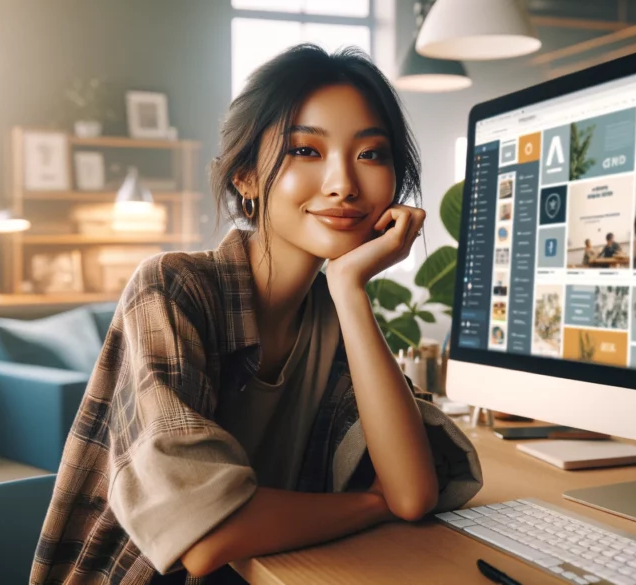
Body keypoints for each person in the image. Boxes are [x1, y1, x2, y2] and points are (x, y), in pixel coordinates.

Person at [30, 45, 482, 585]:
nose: (343, 184)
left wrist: (349, 287)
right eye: (306, 150)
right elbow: (204, 537)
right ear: (245, 177)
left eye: (371, 154)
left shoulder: (335, 318)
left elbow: (412, 493)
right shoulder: (173, 289)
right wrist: (368, 505)